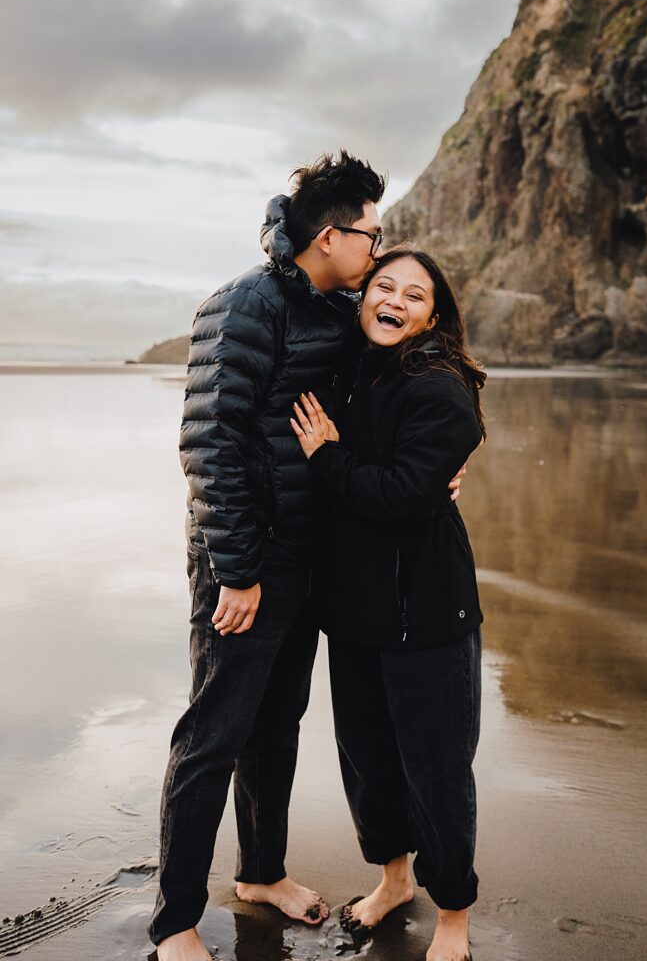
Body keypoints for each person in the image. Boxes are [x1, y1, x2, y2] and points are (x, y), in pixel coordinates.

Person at [149, 152, 467, 961]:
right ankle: (175, 923)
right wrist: (238, 570)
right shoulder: (245, 306)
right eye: (372, 235)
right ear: (331, 237)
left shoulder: (341, 305)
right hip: (248, 560)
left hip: (313, 558)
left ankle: (260, 873)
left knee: (276, 726)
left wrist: (440, 466)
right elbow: (210, 445)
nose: (378, 250)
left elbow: (407, 381)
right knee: (215, 732)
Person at [291, 247, 486, 961]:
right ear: (363, 297)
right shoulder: (351, 369)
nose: (394, 300)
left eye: (413, 294)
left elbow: (404, 498)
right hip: (355, 613)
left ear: (433, 316)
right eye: (383, 286)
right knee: (368, 760)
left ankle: (455, 918)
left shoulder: (438, 387)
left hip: (428, 616)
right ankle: (393, 880)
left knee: (435, 773)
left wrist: (329, 458)